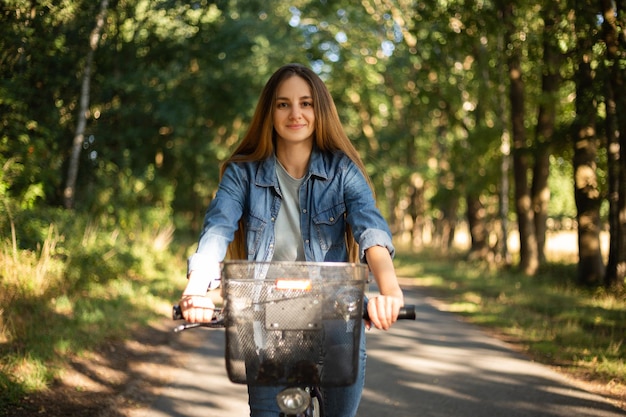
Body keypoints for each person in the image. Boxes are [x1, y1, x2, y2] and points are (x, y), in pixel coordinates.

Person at [180, 63, 404, 417]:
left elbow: (371, 230)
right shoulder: (243, 173)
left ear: (320, 110)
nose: (295, 113)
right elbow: (217, 230)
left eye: (306, 103)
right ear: (269, 112)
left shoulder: (343, 171)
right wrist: (195, 289)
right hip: (266, 315)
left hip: (332, 317)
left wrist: (390, 292)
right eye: (283, 104)